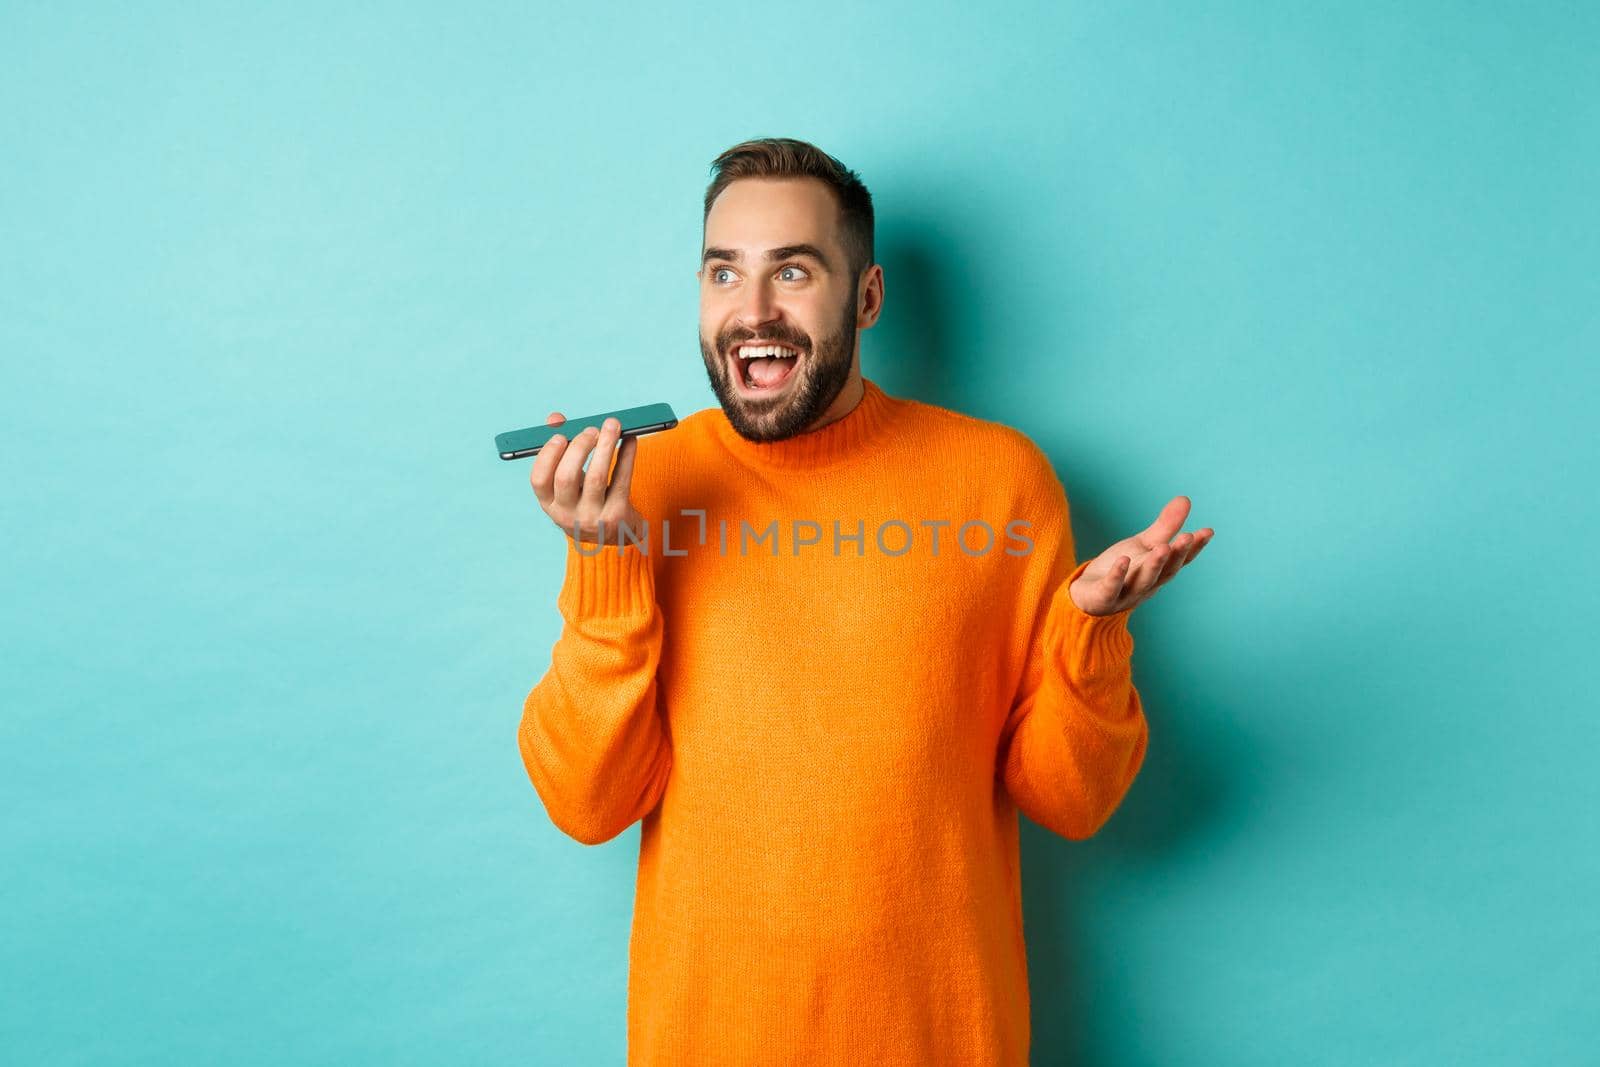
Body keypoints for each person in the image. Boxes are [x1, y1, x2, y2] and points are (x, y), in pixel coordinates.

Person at [516, 137, 1213, 1066]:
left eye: (793, 271)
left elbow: (1070, 801)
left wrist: (1090, 633)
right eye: (724, 273)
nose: (751, 310)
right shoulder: (649, 485)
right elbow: (588, 802)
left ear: (869, 297)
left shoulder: (1000, 483)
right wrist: (603, 559)